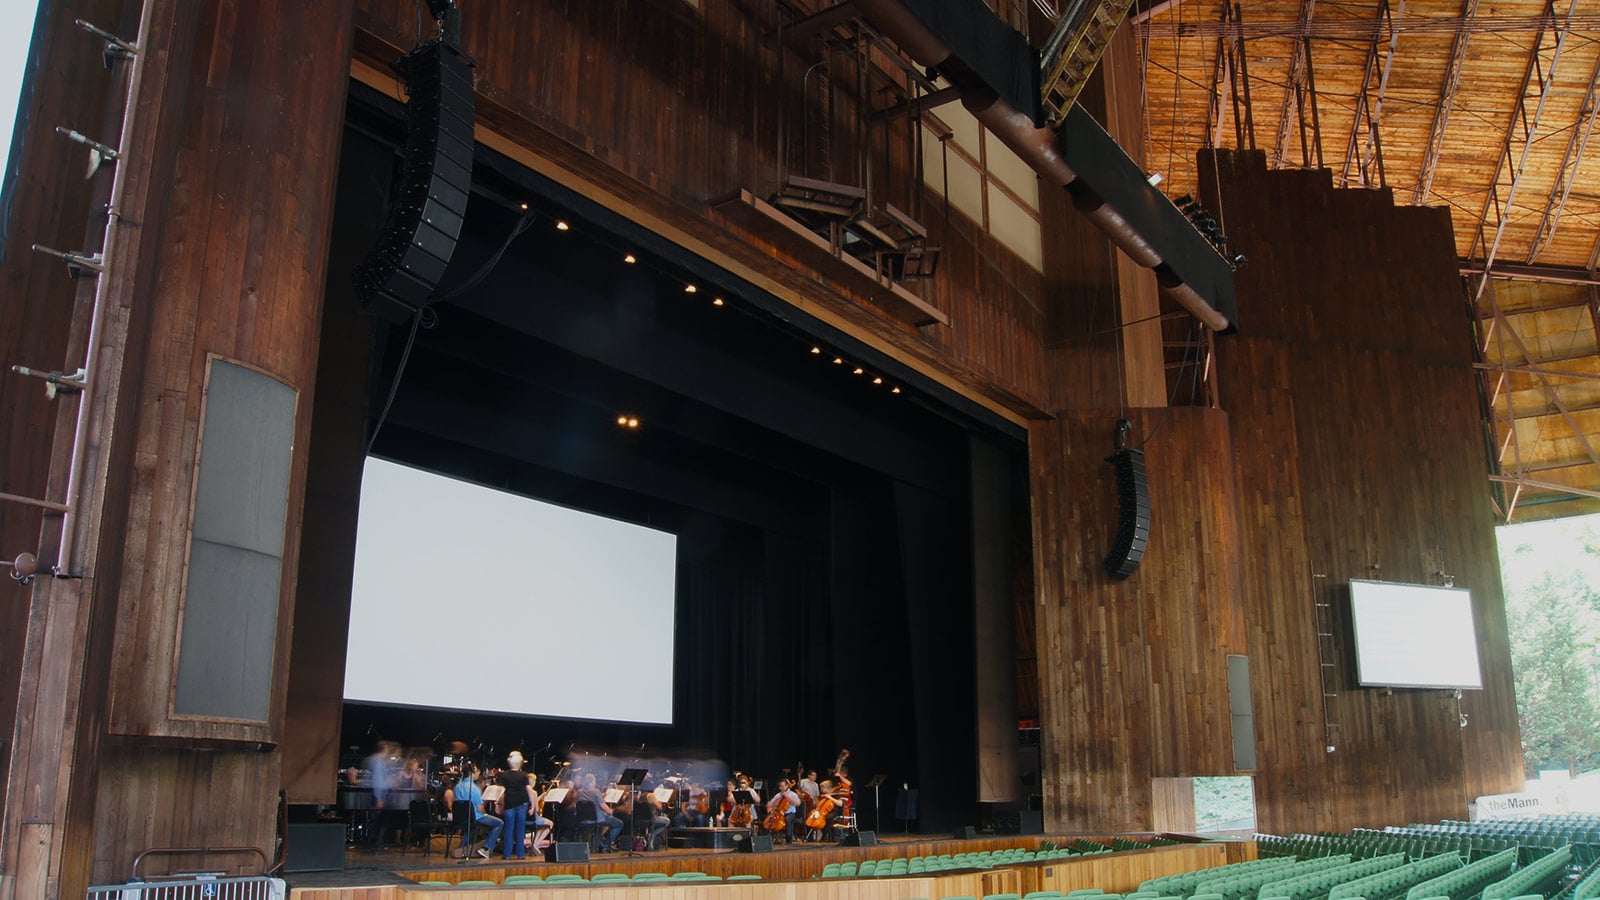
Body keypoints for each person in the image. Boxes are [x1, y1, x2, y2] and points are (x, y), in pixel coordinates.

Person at [445, 763, 503, 859]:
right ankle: (486, 848)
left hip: (461, 818)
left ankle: (463, 848)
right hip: (475, 817)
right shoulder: (474, 788)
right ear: (472, 773)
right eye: (477, 771)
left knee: (470, 827)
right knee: (499, 823)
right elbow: (480, 809)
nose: (479, 773)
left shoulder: (457, 787)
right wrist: (485, 811)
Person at [495, 751, 536, 860]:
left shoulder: (504, 776)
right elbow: (529, 790)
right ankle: (520, 854)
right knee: (520, 829)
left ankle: (507, 854)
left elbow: (501, 791)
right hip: (522, 804)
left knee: (509, 828)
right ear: (519, 763)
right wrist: (532, 805)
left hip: (509, 804)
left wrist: (497, 803)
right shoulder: (523, 775)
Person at [576, 773, 624, 852]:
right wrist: (610, 811)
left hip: (585, 819)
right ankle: (606, 846)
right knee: (619, 824)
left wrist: (601, 796)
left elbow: (589, 800)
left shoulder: (580, 792)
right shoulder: (596, 792)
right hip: (598, 819)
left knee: (599, 827)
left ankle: (598, 845)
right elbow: (603, 807)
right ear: (592, 782)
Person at [766, 777, 802, 844]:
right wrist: (769, 807)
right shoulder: (778, 795)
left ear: (787, 786)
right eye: (780, 786)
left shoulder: (792, 794)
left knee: (787, 819)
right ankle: (768, 838)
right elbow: (771, 803)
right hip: (779, 813)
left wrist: (787, 796)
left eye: (782, 786)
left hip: (790, 813)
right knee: (771, 819)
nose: (780, 788)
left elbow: (798, 803)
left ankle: (789, 838)